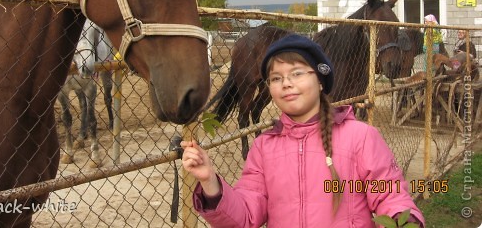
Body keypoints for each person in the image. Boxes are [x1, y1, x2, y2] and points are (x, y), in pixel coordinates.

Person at [181, 34, 424, 227]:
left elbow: (390, 196)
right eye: (276, 78)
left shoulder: (361, 138)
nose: (286, 83)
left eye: (296, 73)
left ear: (320, 80)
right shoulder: (264, 148)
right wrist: (210, 181)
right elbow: (245, 217)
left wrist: (404, 220)